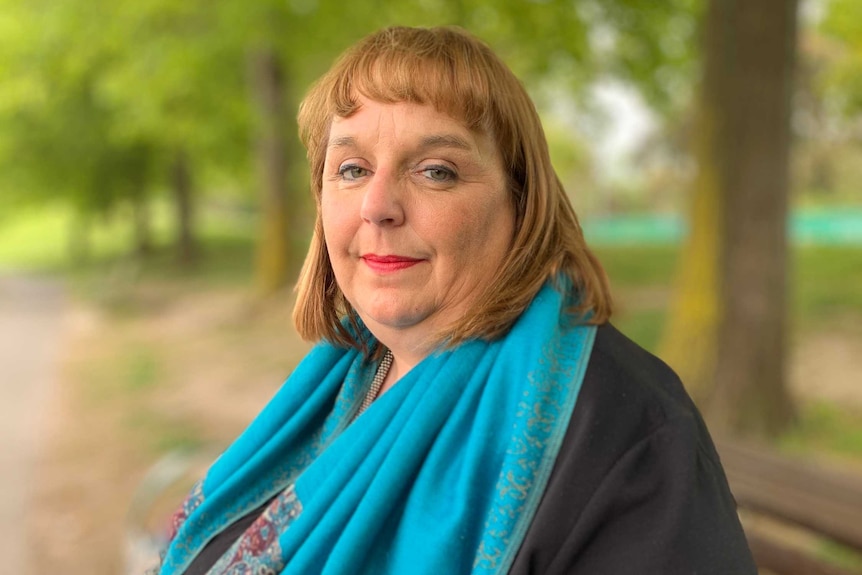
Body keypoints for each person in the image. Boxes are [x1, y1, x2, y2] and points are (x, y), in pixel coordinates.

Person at [155, 26, 756, 575]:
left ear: (521, 205)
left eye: (436, 171)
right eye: (352, 168)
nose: (378, 205)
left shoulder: (628, 432)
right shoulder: (346, 377)